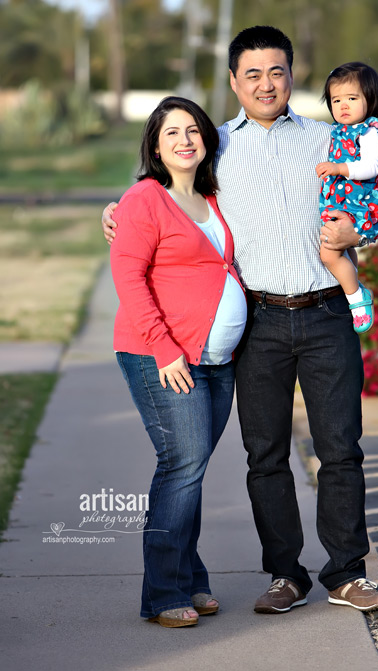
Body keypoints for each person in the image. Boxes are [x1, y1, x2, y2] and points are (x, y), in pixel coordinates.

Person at [103, 26, 378, 616]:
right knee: (265, 455)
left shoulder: (330, 141)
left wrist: (356, 233)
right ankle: (285, 573)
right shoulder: (218, 149)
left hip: (326, 313)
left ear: (292, 77)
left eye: (277, 71)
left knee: (340, 448)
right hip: (259, 323)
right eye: (252, 73)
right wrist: (115, 208)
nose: (266, 83)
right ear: (235, 81)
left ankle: (346, 572)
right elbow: (163, 194)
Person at [110, 96, 246, 628]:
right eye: (173, 133)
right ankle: (164, 593)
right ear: (156, 146)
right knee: (182, 465)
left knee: (192, 468)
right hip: (161, 353)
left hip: (216, 358)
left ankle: (190, 577)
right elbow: (128, 277)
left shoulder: (214, 197)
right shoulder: (145, 197)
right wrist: (165, 348)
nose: (185, 140)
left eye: (193, 130)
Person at [316, 62, 378, 334]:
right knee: (344, 251)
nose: (343, 106)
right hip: (343, 204)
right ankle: (351, 287)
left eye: (352, 98)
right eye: (336, 100)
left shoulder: (370, 132)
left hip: (360, 203)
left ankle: (356, 297)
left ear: (370, 99)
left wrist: (339, 168)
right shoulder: (338, 130)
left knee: (328, 254)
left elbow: (372, 166)